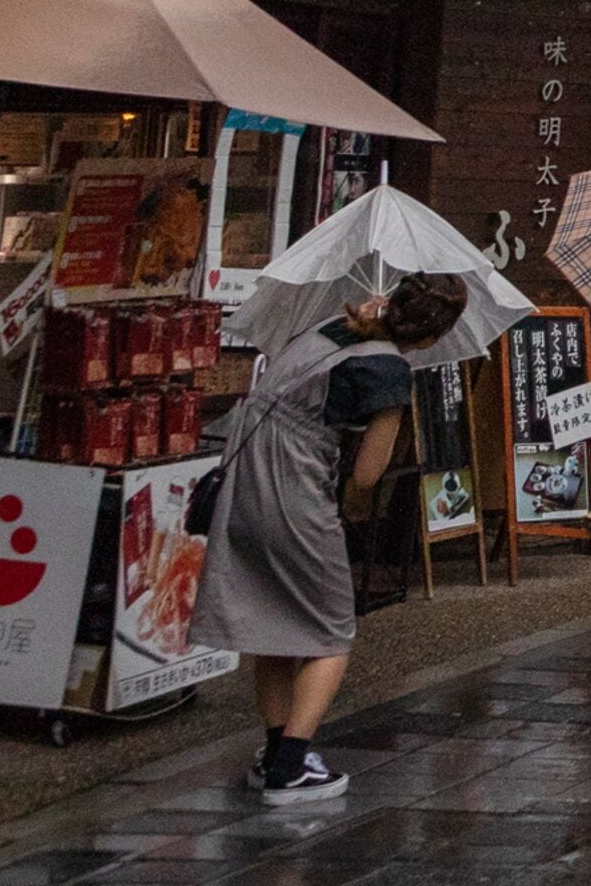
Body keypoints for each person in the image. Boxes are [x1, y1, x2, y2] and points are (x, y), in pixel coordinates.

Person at [191, 273, 470, 802]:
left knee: (274, 624)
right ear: (433, 337)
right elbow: (367, 476)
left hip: (243, 482)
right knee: (331, 631)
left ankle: (274, 753)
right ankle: (291, 766)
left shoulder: (328, 330)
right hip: (295, 494)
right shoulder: (388, 370)